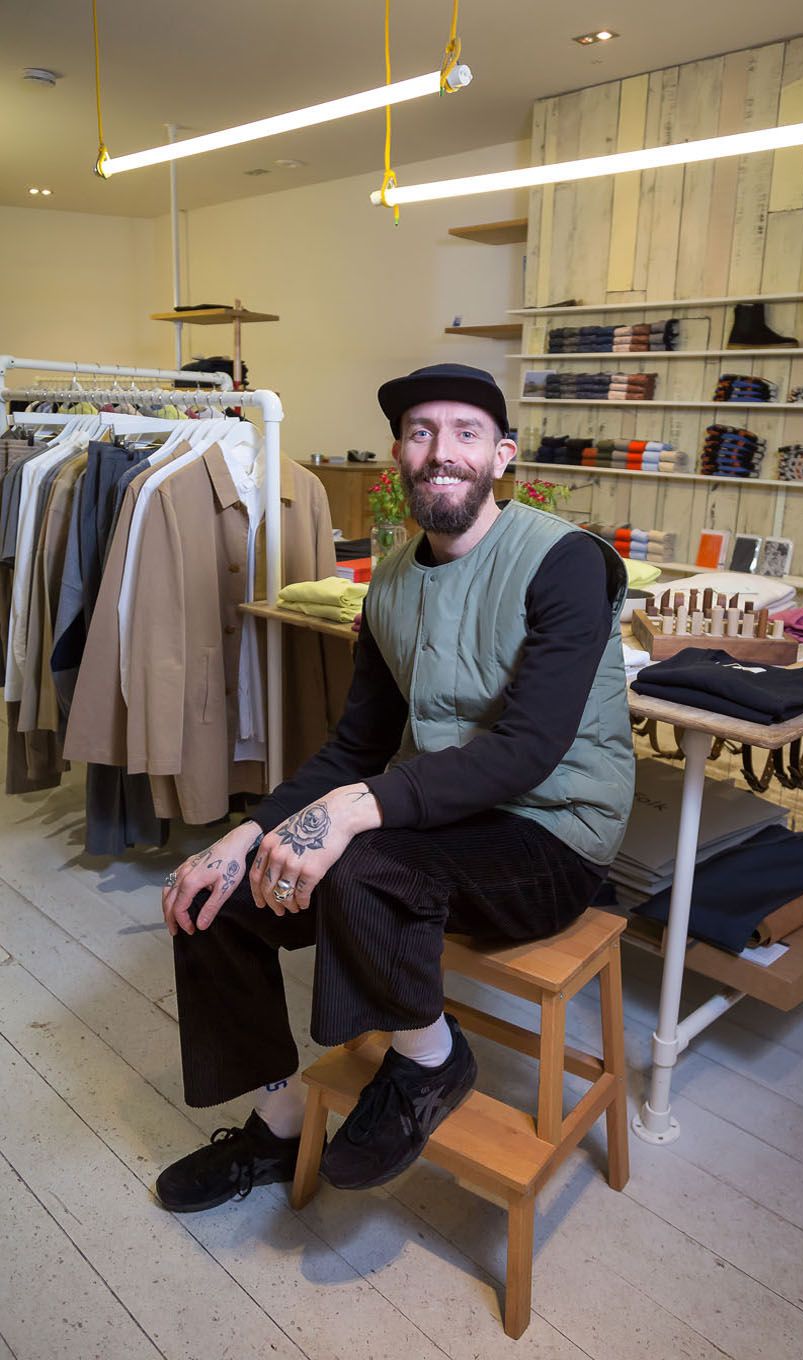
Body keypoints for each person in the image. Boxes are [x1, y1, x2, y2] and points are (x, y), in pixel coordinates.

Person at [155, 362, 633, 1213]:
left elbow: (526, 749)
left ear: (501, 458)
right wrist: (243, 835)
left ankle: (427, 1059)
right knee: (215, 899)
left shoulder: (564, 562)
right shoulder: (389, 586)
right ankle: (279, 1117)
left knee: (358, 860)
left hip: (552, 833)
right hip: (443, 815)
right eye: (421, 433)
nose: (440, 452)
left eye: (464, 434)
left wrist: (353, 811)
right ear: (397, 457)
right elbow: (356, 747)